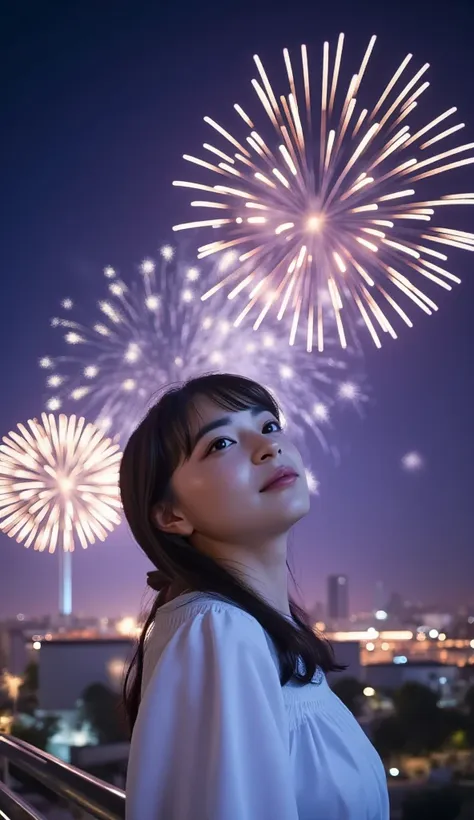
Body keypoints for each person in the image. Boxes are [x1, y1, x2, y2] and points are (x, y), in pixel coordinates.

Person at [121, 373, 390, 820]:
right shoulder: (217, 631)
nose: (269, 447)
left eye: (268, 426)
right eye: (220, 444)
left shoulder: (254, 632)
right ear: (171, 515)